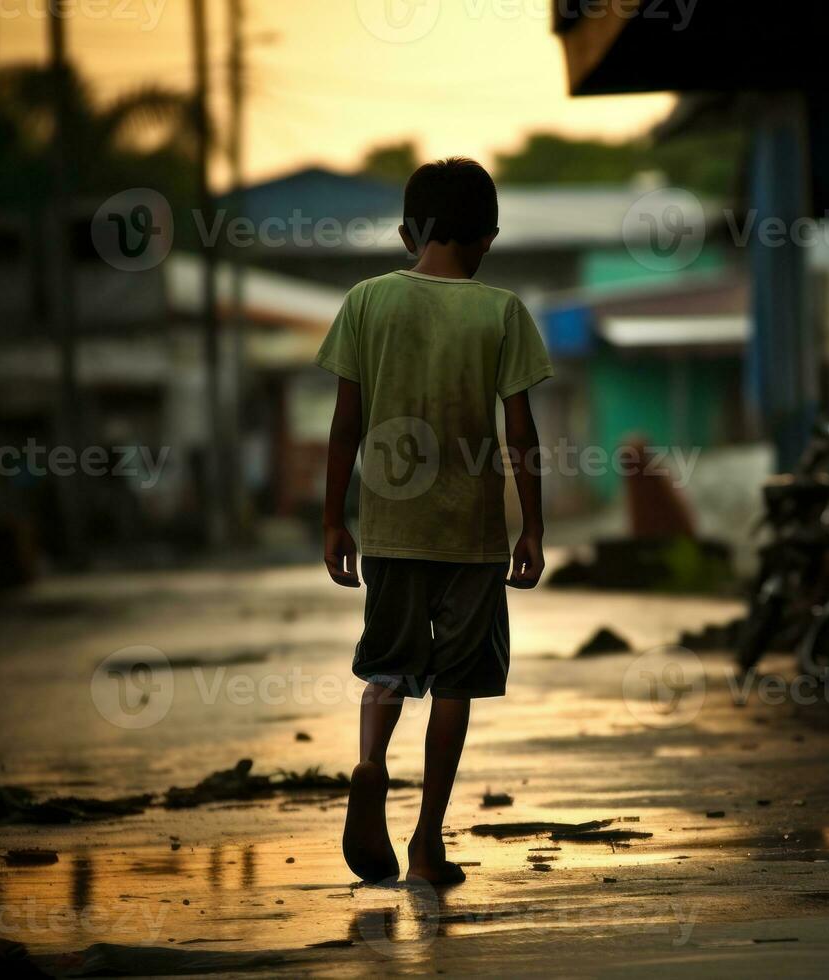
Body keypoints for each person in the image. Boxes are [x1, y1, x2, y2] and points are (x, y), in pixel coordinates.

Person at [315, 158, 552, 885]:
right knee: (456, 681)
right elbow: (520, 435)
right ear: (486, 237)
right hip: (471, 535)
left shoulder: (365, 301)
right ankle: (425, 844)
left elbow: (344, 425)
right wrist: (532, 529)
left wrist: (333, 520)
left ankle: (368, 762)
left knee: (386, 664)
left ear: (405, 232)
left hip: (388, 527)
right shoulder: (500, 311)